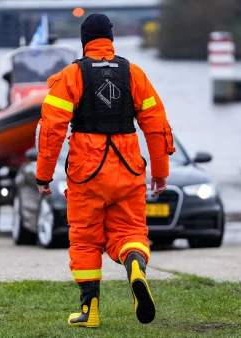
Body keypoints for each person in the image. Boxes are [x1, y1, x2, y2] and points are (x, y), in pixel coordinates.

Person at [34, 13, 176, 328]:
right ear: (111, 39)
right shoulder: (134, 73)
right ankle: (135, 266)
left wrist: (43, 175)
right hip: (128, 167)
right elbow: (156, 125)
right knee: (130, 233)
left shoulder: (71, 76)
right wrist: (160, 171)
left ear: (84, 41)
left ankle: (90, 311)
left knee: (85, 240)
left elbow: (51, 130)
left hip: (87, 170)